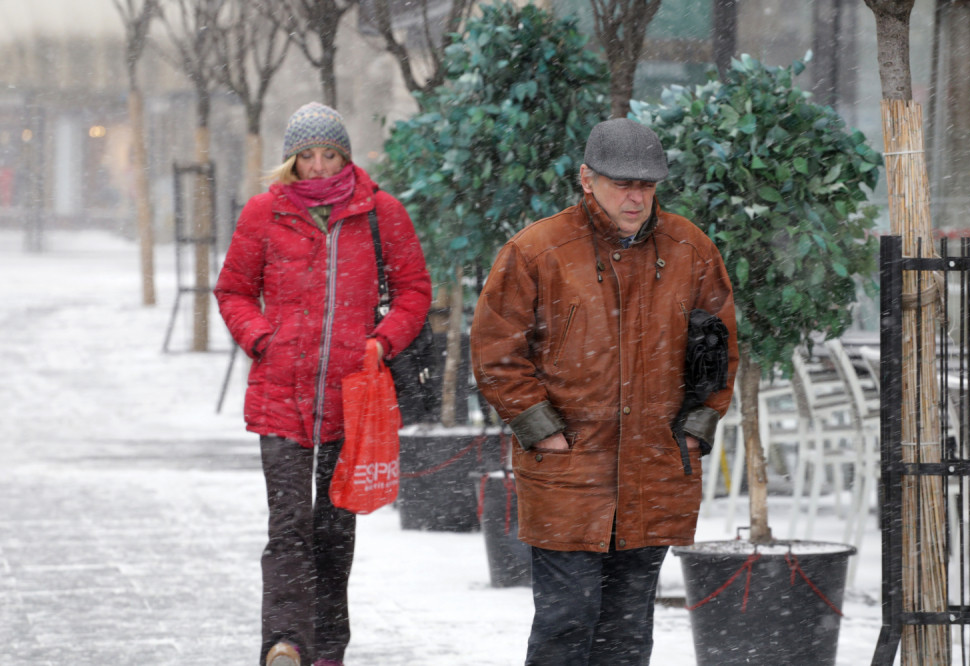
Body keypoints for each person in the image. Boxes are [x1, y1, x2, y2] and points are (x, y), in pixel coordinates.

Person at [470, 117, 739, 665]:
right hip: (567, 474)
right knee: (565, 620)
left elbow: (719, 352)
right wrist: (544, 434)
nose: (636, 196)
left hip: (656, 469)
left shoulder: (691, 250)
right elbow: (497, 352)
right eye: (622, 182)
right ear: (586, 179)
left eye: (646, 184)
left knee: (628, 627)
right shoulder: (538, 251)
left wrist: (695, 431)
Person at [214, 102, 431, 666]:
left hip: (351, 401)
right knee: (288, 529)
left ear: (345, 156)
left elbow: (414, 291)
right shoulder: (263, 214)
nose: (317, 166)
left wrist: (381, 341)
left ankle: (329, 650)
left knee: (335, 536)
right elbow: (233, 290)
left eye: (328, 153)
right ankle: (285, 644)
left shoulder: (381, 213)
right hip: (279, 398)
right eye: (305, 155)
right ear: (291, 159)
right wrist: (263, 339)